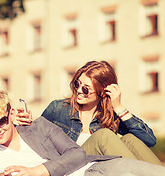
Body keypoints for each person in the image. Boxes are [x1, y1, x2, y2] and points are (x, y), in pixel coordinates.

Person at [0, 89, 165, 176]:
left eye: (1, 121)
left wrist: (36, 171)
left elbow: (77, 153)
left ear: (11, 113)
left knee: (159, 175)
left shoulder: (38, 126)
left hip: (94, 167)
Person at [18, 61, 162, 165]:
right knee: (104, 135)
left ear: (102, 91)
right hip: (71, 169)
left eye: (86, 88)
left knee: (129, 139)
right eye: (77, 84)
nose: (79, 90)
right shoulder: (58, 109)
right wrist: (30, 124)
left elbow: (149, 140)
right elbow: (36, 141)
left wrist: (118, 107)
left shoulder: (110, 116)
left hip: (100, 171)